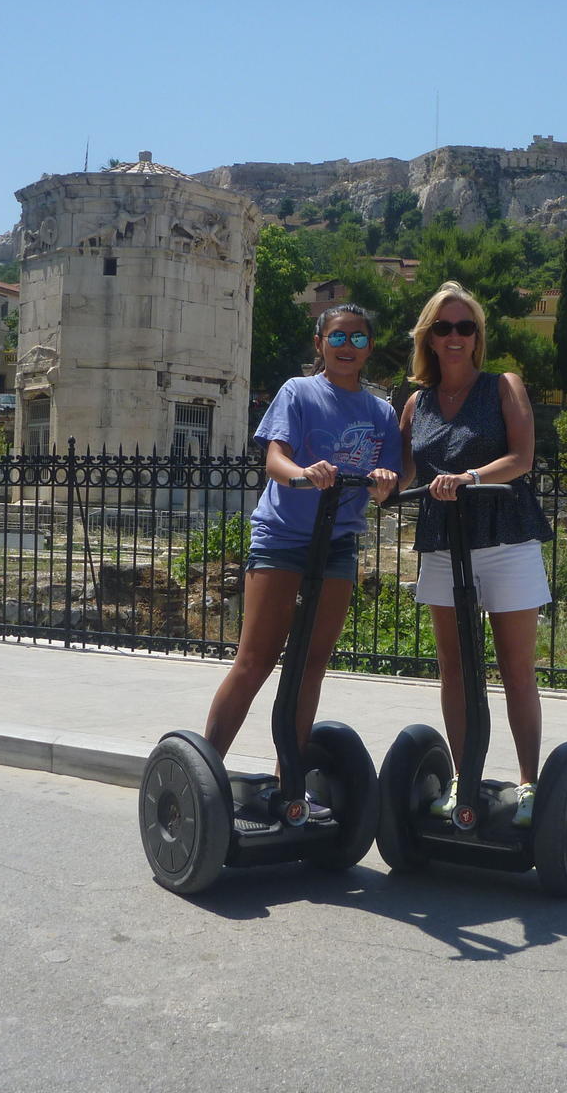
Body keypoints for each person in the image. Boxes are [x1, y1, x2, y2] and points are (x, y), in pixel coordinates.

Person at [201, 304, 399, 818]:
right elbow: (274, 458)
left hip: (337, 544)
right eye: (338, 337)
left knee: (311, 664)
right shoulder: (297, 391)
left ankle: (289, 786)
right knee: (255, 660)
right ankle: (202, 775)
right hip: (282, 538)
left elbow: (389, 481)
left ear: (369, 348)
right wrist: (302, 473)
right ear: (320, 344)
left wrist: (382, 482)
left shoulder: (380, 412)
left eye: (358, 339)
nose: (347, 347)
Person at [398, 281, 553, 827]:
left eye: (466, 326)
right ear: (430, 339)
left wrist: (468, 476)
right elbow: (400, 473)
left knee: (515, 668)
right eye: (444, 327)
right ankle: (463, 778)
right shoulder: (417, 403)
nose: (456, 336)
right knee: (455, 670)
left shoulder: (503, 386)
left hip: (505, 536)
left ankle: (530, 783)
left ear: (477, 336)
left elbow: (522, 457)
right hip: (444, 542)